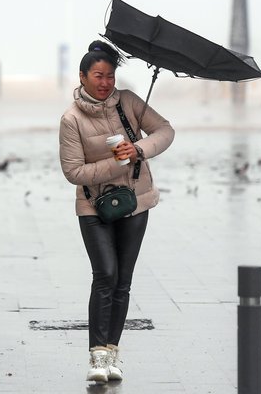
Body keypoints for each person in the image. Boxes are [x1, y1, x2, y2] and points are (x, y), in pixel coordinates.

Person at [59, 40, 175, 384]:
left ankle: (112, 354)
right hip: (93, 206)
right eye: (98, 75)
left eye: (110, 75)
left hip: (135, 201)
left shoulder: (128, 102)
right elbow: (73, 173)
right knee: (105, 274)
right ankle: (96, 356)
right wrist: (116, 162)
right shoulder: (71, 119)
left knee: (123, 281)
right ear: (82, 76)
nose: (106, 82)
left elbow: (165, 131)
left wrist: (138, 149)